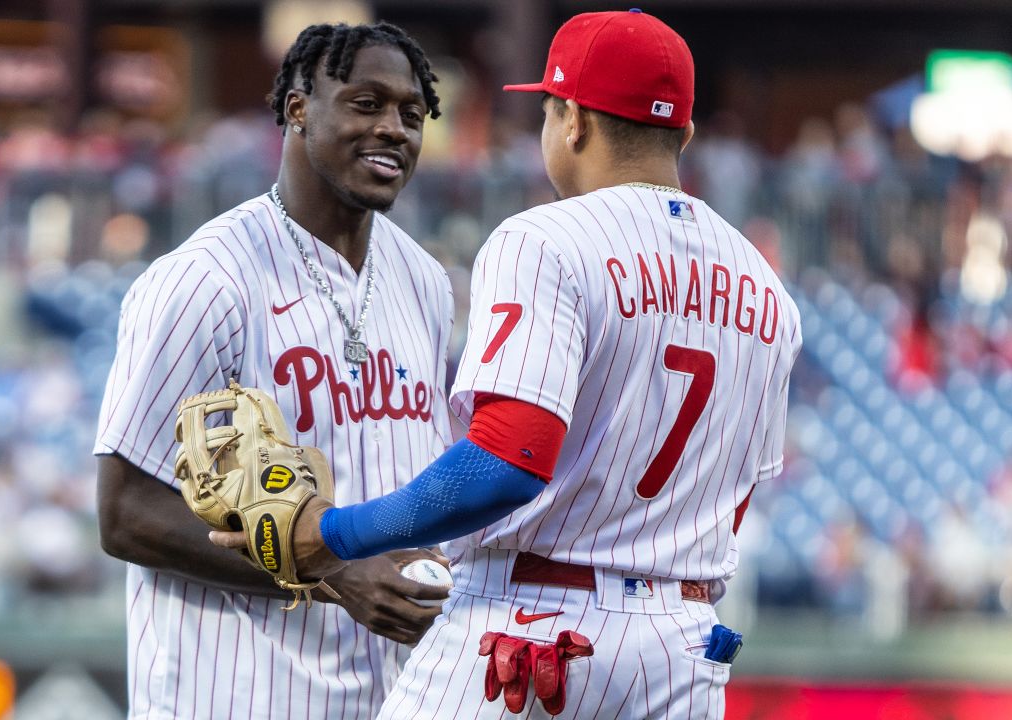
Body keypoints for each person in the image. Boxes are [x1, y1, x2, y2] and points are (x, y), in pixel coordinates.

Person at [214, 10, 802, 718]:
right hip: (680, 651)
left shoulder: (545, 239)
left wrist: (334, 533)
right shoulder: (766, 289)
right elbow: (736, 497)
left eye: (550, 112)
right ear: (684, 134)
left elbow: (509, 459)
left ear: (573, 121)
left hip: (534, 632)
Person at [95, 21, 457, 719]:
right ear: (297, 108)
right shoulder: (208, 280)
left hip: (394, 697)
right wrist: (332, 569)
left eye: (411, 114)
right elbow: (125, 513)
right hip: (233, 694)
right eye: (365, 103)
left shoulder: (425, 281)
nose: (393, 129)